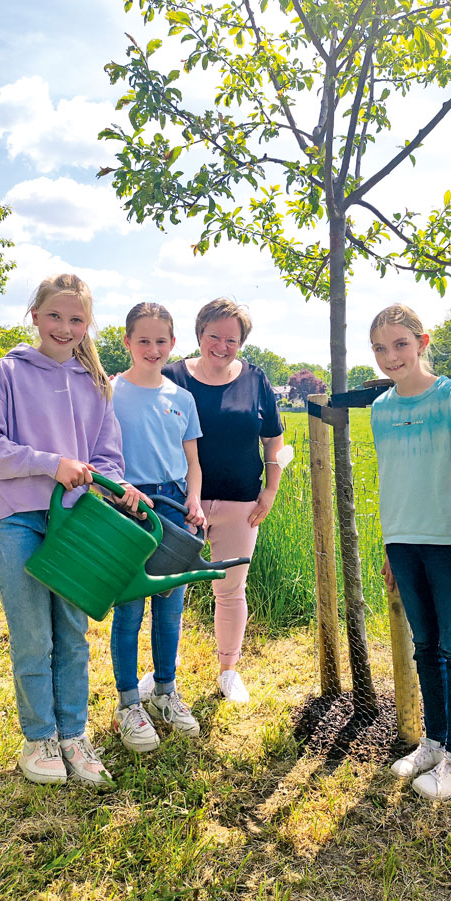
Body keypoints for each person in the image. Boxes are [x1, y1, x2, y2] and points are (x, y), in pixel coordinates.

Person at [0, 273, 148, 787]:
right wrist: (50, 462)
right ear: (35, 315)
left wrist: (120, 488)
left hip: (74, 522)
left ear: (88, 325)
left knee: (71, 631)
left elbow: (106, 456)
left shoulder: (95, 385)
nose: (65, 328)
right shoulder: (3, 375)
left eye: (76, 319)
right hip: (12, 515)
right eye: (55, 316)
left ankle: (73, 734)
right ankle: (39, 736)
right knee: (32, 633)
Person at [370, 304, 451, 801]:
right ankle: (433, 742)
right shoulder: (381, 409)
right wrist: (390, 547)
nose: (390, 356)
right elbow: (392, 481)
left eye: (399, 345)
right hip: (403, 542)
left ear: (423, 342)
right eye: (380, 348)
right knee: (425, 645)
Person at [165, 297, 285, 702]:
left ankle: (228, 671)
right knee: (167, 589)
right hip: (177, 502)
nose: (221, 345)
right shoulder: (171, 377)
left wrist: (271, 489)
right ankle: (164, 673)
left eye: (231, 339)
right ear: (199, 334)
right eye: (213, 335)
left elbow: (275, 440)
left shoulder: (256, 379)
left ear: (241, 343)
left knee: (231, 591)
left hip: (240, 503)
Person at [110, 302, 205, 752]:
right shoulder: (108, 391)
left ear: (173, 344)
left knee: (170, 607)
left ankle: (166, 691)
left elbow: (192, 462)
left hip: (172, 504)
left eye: (161, 341)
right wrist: (119, 490)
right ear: (126, 341)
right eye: (143, 340)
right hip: (127, 505)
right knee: (129, 607)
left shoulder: (181, 398)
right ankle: (128, 702)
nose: (152, 348)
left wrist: (193, 499)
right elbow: (99, 453)